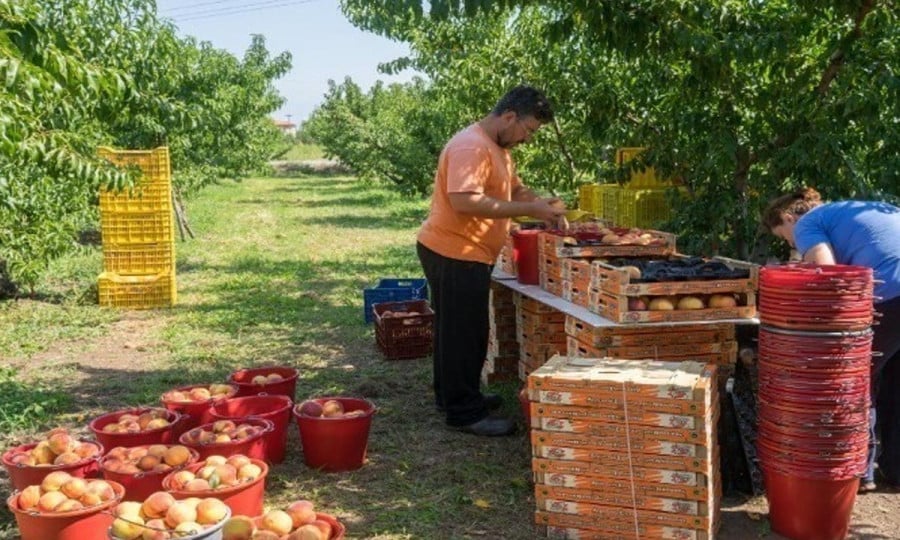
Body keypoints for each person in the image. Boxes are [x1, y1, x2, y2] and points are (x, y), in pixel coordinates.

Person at [416, 85, 567, 437]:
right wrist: (529, 210)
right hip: (454, 251)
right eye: (527, 130)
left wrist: (541, 204)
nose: (527, 138)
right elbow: (465, 201)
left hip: (464, 251)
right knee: (465, 333)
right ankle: (464, 413)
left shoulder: (498, 147)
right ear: (510, 116)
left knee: (455, 330)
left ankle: (453, 396)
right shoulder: (471, 146)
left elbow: (513, 189)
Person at [763, 187, 900, 492]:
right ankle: (896, 469)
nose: (792, 244)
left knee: (855, 379)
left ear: (788, 217)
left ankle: (859, 472)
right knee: (894, 379)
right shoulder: (850, 209)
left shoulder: (809, 223)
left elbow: (830, 277)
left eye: (785, 237)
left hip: (891, 294)